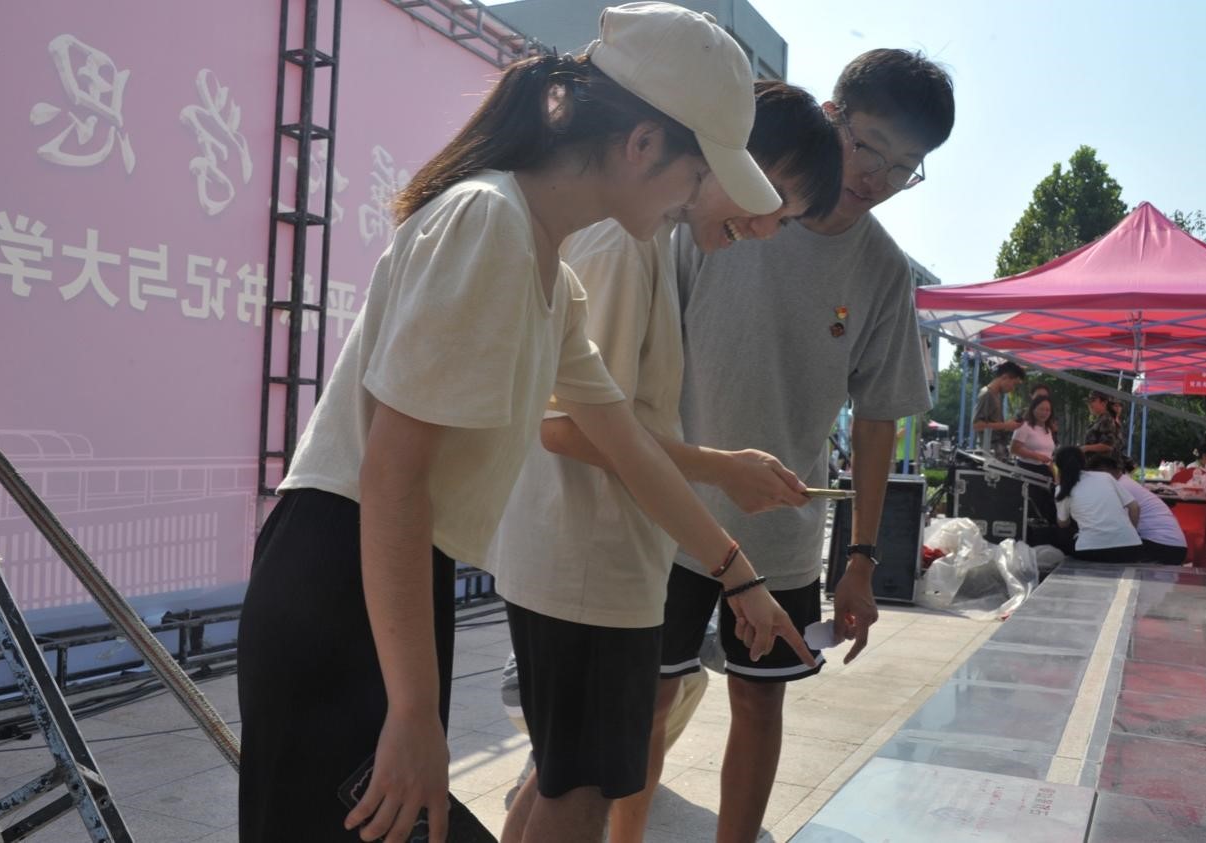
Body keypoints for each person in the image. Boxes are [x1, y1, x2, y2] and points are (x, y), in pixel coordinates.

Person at [235, 5, 812, 840]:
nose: (691, 203)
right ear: (642, 143)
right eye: (695, 177)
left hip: (387, 578)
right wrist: (414, 711)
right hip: (340, 575)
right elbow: (391, 473)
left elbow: (623, 440)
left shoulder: (549, 269)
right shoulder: (490, 222)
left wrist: (738, 575)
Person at [487, 79, 841, 843]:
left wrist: (728, 532)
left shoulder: (641, 240)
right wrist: (722, 486)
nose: (767, 227)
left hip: (593, 558)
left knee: (560, 777)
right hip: (584, 560)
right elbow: (568, 429)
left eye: (787, 217)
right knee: (580, 788)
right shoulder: (624, 242)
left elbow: (609, 426)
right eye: (769, 197)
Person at [620, 48, 956, 843]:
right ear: (830, 116)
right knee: (648, 699)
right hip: (670, 508)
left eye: (904, 167)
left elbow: (878, 417)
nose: (877, 176)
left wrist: (862, 556)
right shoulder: (722, 212)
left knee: (759, 696)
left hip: (780, 531)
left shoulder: (882, 269)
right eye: (869, 146)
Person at [1053, 446, 1143, 563]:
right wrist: (1129, 533)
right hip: (1131, 549)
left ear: (1058, 467)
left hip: (1092, 551)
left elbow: (1063, 524)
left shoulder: (1062, 489)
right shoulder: (1105, 477)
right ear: (1084, 461)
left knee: (1060, 534)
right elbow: (1135, 507)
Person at [1112, 459, 1188, 564]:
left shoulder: (1119, 486)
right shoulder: (1126, 482)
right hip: (1172, 545)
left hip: (1163, 547)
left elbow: (1132, 512)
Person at [972, 362, 1025, 461]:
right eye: (1014, 384)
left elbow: (993, 425)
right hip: (990, 453)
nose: (1012, 388)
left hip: (997, 451)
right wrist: (1005, 425)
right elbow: (977, 425)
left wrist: (1009, 425)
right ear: (1005, 377)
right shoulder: (987, 394)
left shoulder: (997, 395)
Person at [1010, 395, 1057, 476]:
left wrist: (1055, 473)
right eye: (1041, 409)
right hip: (1026, 470)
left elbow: (1048, 455)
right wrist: (1037, 456)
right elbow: (1014, 449)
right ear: (1033, 409)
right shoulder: (1024, 426)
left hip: (1045, 472)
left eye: (1048, 410)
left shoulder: (1048, 429)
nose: (1044, 413)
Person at [1082, 390, 1125, 468]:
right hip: (1097, 466)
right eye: (1088, 402)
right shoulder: (1101, 419)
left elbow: (1108, 445)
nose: (1089, 404)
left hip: (1104, 467)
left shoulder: (1107, 419)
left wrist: (1085, 448)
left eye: (1093, 401)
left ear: (1104, 402)